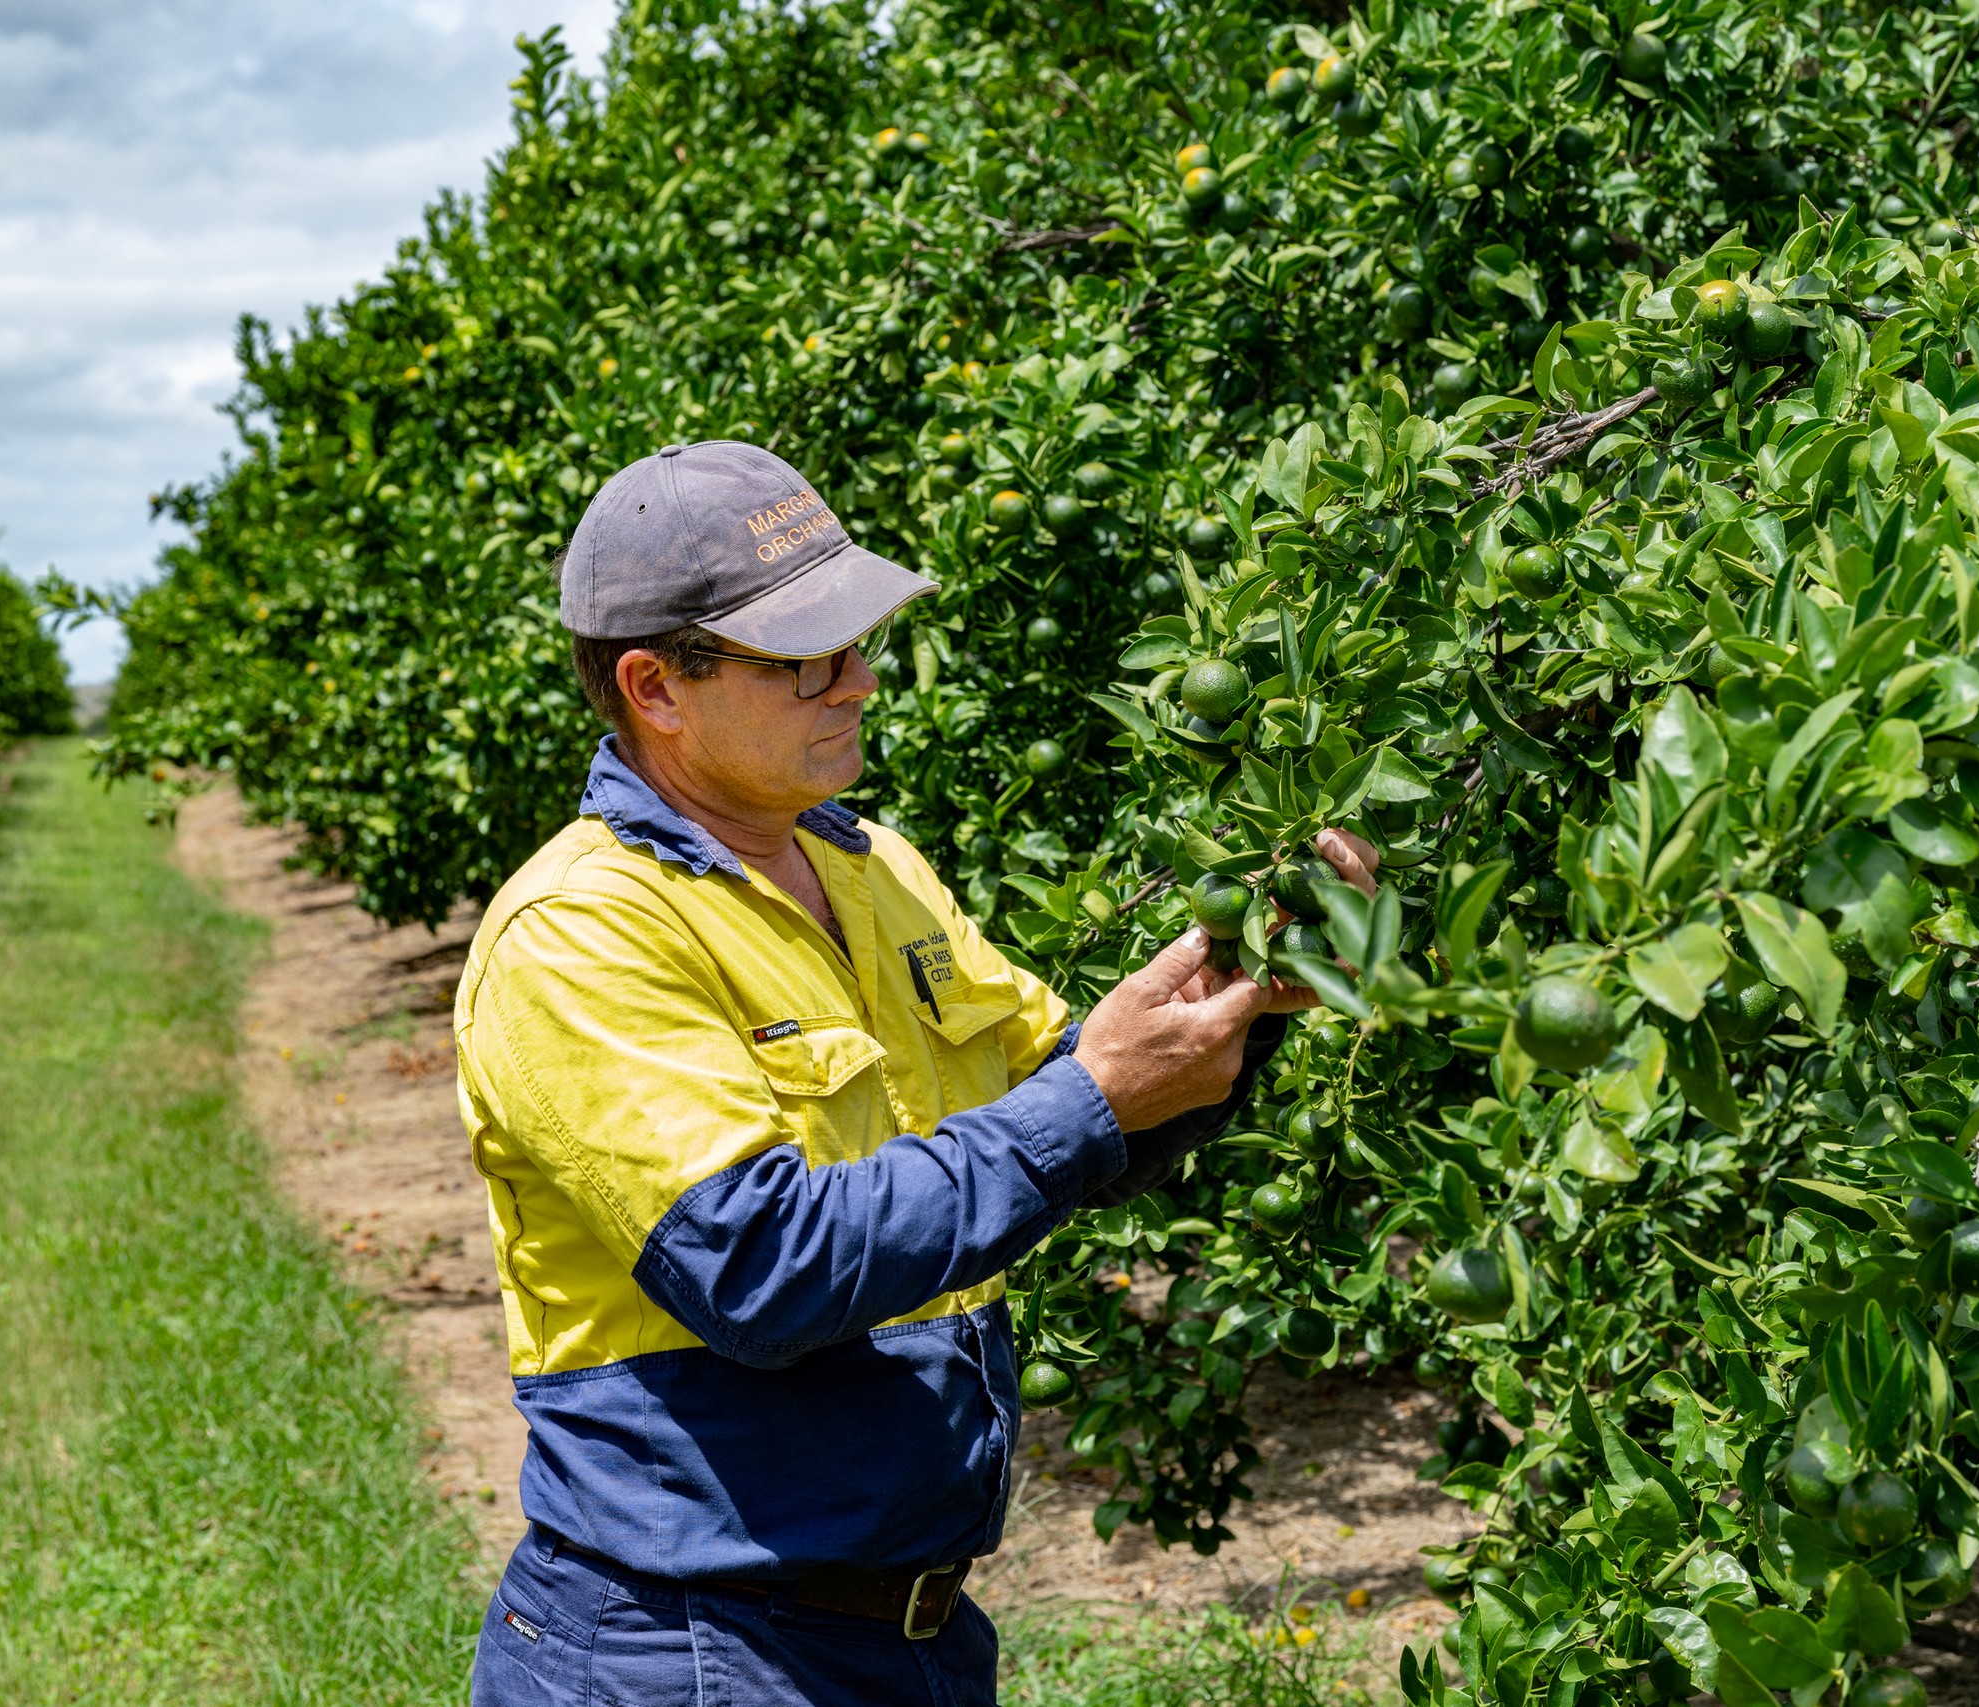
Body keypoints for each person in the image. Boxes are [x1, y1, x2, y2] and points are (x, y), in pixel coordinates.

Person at [455, 440, 1376, 1706]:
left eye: (857, 642)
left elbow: (1067, 1120)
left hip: (907, 1634)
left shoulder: (867, 865)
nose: (858, 681)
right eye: (805, 661)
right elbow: (756, 1266)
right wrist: (1092, 1094)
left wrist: (1245, 995)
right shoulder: (580, 932)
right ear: (655, 687)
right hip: (696, 1651)